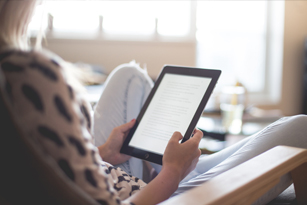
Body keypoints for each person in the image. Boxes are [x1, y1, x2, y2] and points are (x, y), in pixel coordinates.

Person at [0, 1, 306, 205]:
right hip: (152, 197)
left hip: (114, 172)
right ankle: (169, 168)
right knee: (300, 128)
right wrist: (172, 174)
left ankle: (161, 165)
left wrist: (104, 153)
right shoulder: (28, 74)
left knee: (130, 75)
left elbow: (59, 167)